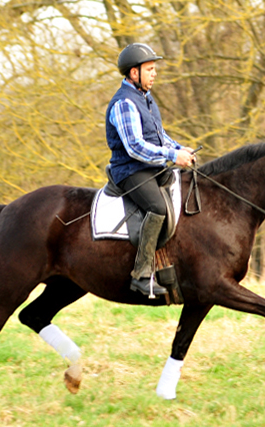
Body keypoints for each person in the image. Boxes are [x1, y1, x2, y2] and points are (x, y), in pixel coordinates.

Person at [105, 43, 195, 297]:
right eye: (150, 69)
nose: (154, 74)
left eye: (155, 69)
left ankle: (169, 267)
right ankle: (142, 275)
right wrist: (172, 155)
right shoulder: (124, 103)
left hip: (150, 167)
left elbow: (158, 135)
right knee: (157, 208)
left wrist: (179, 149)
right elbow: (134, 147)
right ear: (134, 73)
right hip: (130, 171)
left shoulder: (145, 98)